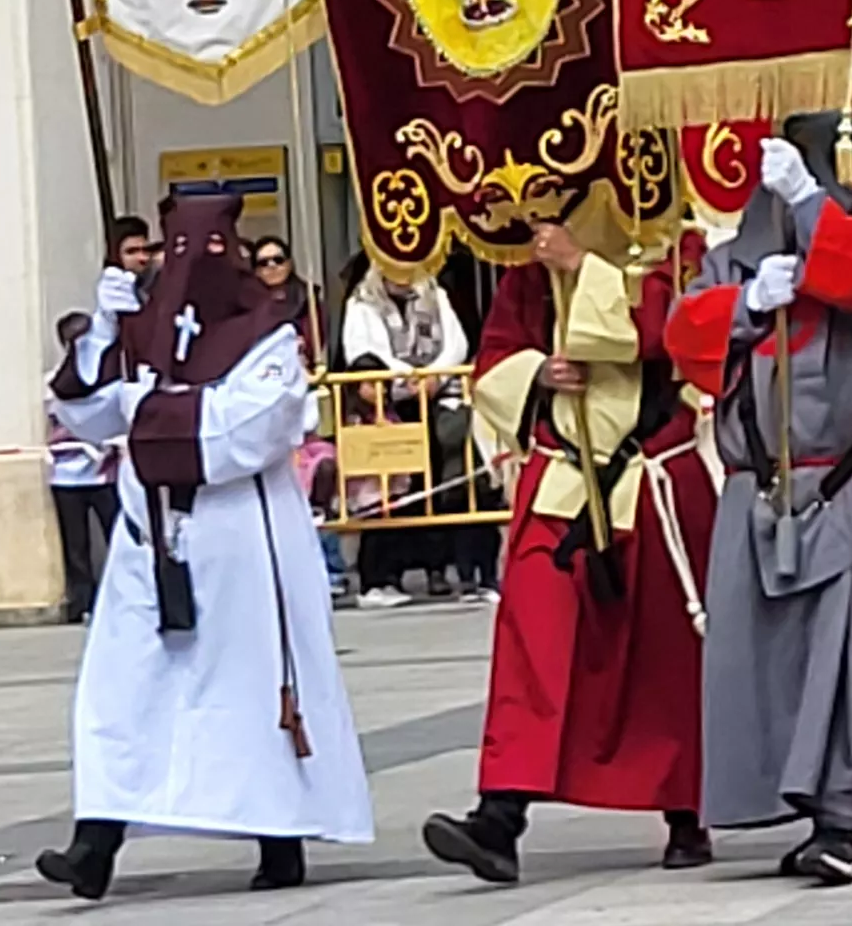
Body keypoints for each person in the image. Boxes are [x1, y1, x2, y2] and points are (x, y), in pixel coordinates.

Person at [36, 195, 370, 899]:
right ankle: (95, 842)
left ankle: (279, 838)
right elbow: (85, 414)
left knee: (252, 692)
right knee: (120, 689)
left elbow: (249, 431)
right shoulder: (143, 332)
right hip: (148, 541)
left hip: (241, 542)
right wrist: (102, 335)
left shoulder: (268, 335)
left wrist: (148, 408)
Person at [419, 200, 717, 883]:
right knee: (533, 644)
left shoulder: (678, 250)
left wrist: (583, 268)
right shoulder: (533, 264)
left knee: (665, 657)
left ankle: (686, 811)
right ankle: (500, 816)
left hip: (651, 476)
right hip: (562, 477)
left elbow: (661, 334)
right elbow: (497, 353)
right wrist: (536, 372)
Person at [664, 119, 852, 886]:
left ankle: (843, 819)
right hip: (756, 486)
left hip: (840, 481)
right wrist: (746, 301)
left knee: (846, 658)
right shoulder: (728, 262)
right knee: (760, 659)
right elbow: (684, 334)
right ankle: (783, 798)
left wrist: (811, 205)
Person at [333, 256, 488, 606]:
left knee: (438, 485)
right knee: (389, 492)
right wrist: (409, 377)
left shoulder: (435, 294)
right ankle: (381, 577)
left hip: (436, 396)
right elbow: (362, 351)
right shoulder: (362, 301)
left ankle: (438, 568)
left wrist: (434, 376)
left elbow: (456, 344)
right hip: (389, 402)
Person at [53, 219, 149, 625]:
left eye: (145, 250)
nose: (141, 259)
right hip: (109, 454)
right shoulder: (111, 304)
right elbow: (83, 401)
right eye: (131, 251)